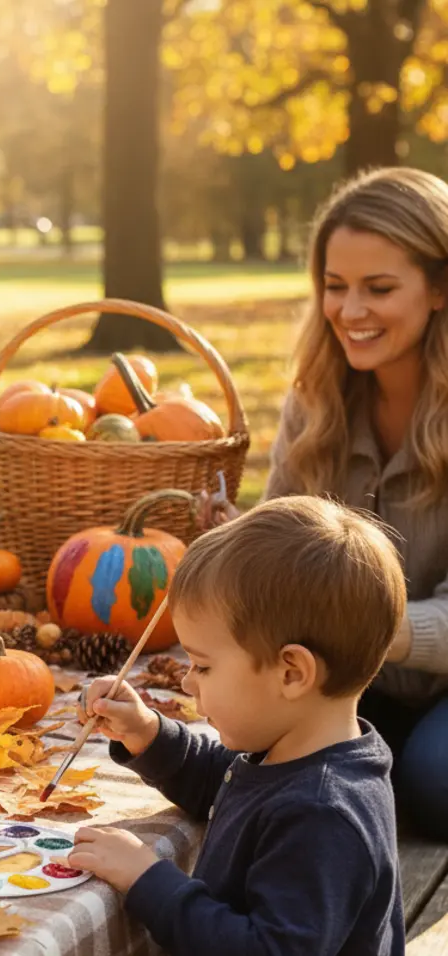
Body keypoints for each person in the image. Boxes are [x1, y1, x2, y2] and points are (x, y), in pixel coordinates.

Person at [69, 496, 405, 956]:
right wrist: (147, 733)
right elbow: (224, 782)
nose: (187, 681)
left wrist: (149, 879)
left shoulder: (323, 814)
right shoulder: (293, 752)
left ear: (291, 673)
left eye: (203, 666)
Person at [263, 166, 448, 838]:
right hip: (347, 681)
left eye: (379, 288)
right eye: (335, 287)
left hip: (425, 680)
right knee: (232, 753)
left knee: (434, 781)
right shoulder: (316, 398)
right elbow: (277, 541)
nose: (350, 311)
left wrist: (366, 624)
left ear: (438, 286)